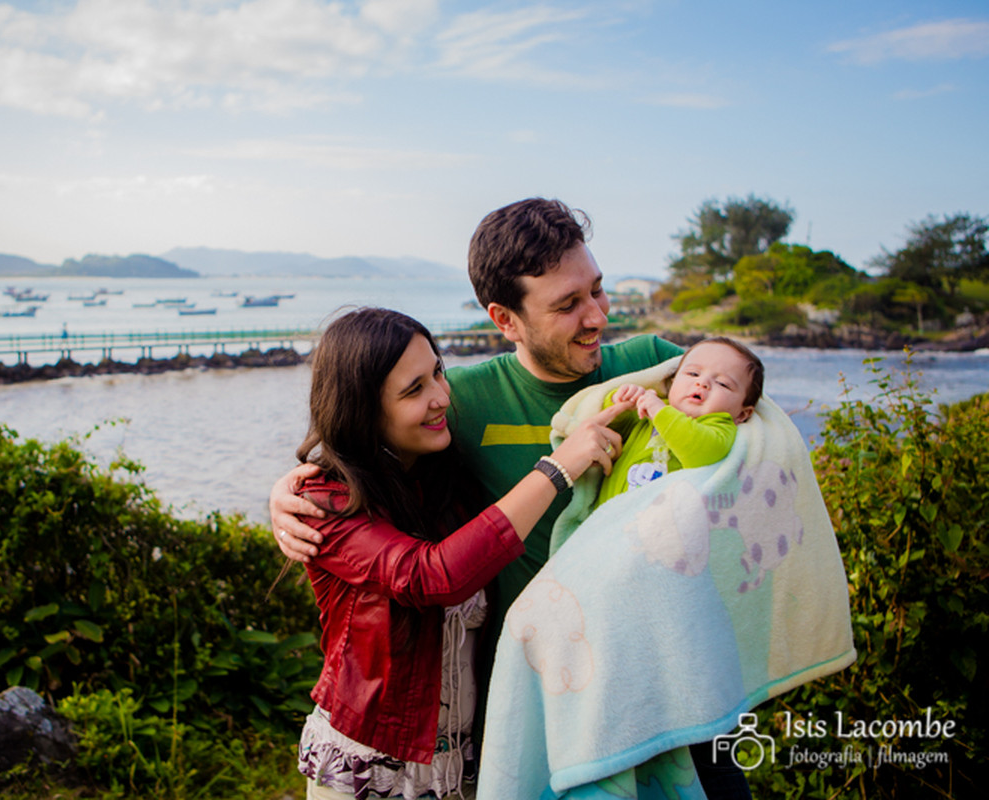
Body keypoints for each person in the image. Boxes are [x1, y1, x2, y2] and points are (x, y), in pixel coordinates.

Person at [272, 198, 749, 798]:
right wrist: (290, 488)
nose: (598, 316)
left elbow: (749, 420)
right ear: (505, 318)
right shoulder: (461, 404)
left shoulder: (658, 369)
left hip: (671, 676)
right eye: (568, 305)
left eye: (598, 291)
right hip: (528, 703)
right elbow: (363, 444)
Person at [289, 306, 625, 800]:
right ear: (363, 410)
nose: (441, 397)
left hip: (461, 767)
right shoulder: (328, 502)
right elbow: (431, 577)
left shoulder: (448, 480)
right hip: (368, 772)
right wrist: (558, 468)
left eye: (438, 373)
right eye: (414, 390)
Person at [597, 337, 764, 504]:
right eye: (693, 374)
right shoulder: (650, 407)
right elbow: (611, 428)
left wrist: (659, 412)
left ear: (742, 414)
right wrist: (621, 401)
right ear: (673, 381)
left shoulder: (719, 425)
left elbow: (703, 452)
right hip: (608, 517)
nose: (702, 383)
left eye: (722, 384)